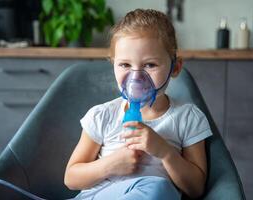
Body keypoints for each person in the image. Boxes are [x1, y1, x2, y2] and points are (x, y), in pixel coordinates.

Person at [64, 8, 212, 200]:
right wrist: (111, 164)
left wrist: (165, 152)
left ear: (175, 67)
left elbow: (196, 188)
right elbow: (71, 178)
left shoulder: (188, 118)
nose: (136, 77)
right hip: (99, 195)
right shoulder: (103, 115)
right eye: (125, 65)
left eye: (150, 65)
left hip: (154, 194)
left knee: (158, 188)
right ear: (113, 64)